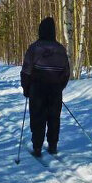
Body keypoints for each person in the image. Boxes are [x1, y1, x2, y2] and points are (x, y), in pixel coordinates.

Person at [20, 16, 71, 158]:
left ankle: (37, 147)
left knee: (38, 118)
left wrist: (26, 88)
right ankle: (53, 145)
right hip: (54, 90)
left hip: (37, 89)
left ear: (40, 30)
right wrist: (59, 87)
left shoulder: (34, 48)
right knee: (54, 118)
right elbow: (66, 72)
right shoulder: (60, 49)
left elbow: (26, 71)